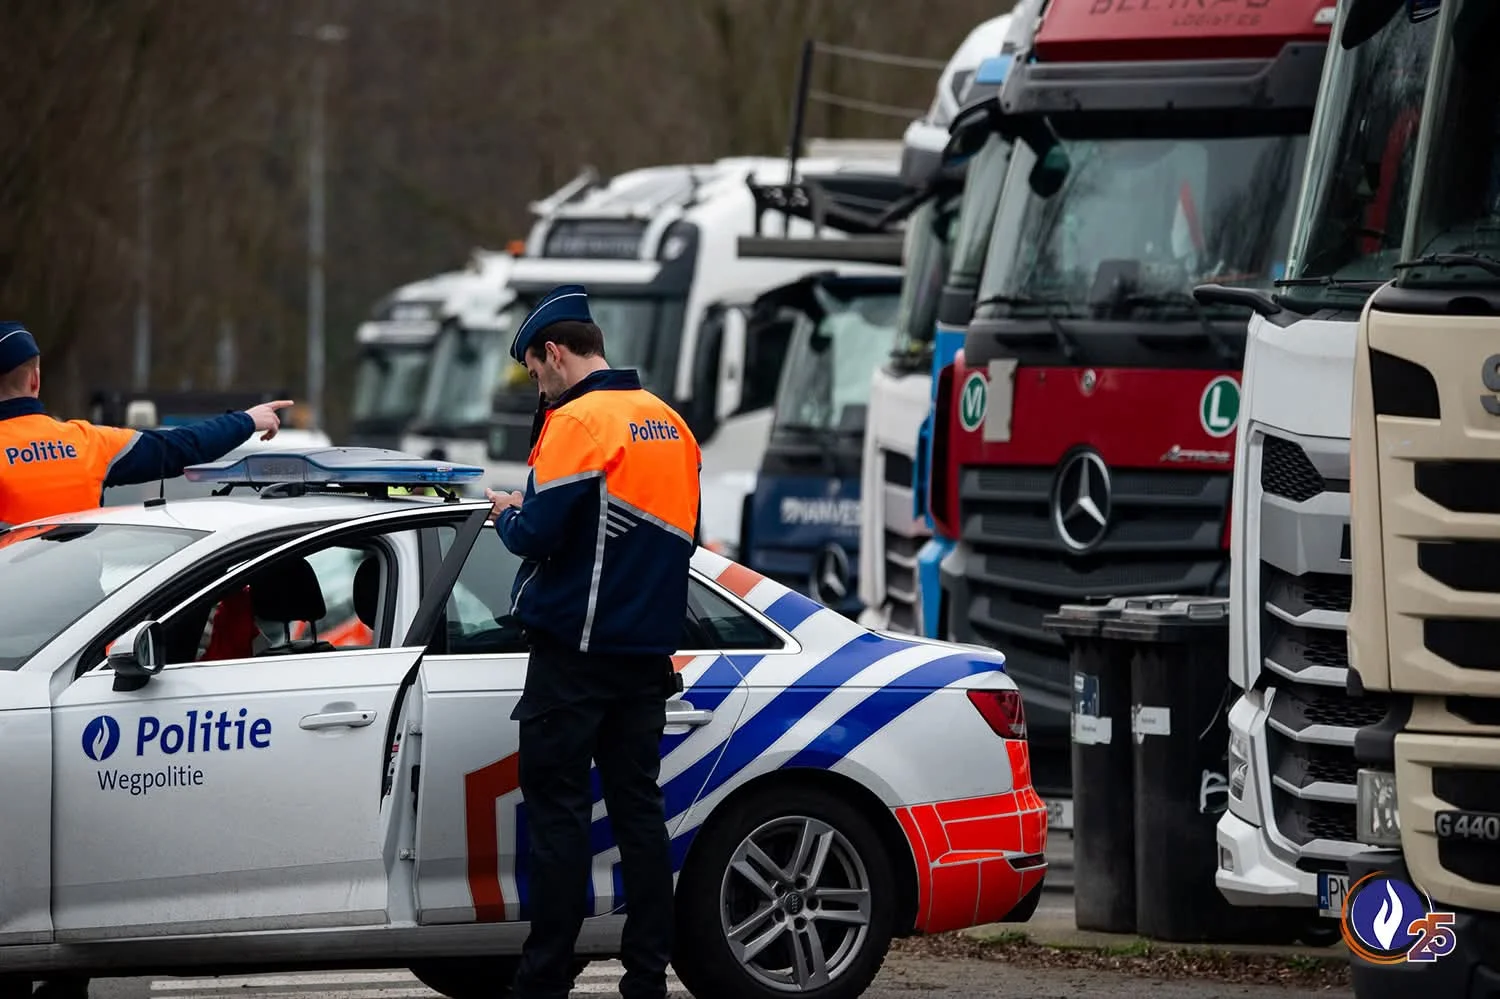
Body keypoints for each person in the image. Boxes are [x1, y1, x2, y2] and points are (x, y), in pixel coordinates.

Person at [485, 285, 700, 999]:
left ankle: (544, 979)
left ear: (554, 352)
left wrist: (508, 513)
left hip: (574, 658)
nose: (537, 388)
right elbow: (674, 540)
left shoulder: (577, 421)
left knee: (559, 821)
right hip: (646, 658)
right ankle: (647, 977)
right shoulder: (671, 423)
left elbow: (537, 533)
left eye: (534, 373)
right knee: (640, 816)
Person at [0, 321, 293, 525]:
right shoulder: (87, 443)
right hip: (85, 597)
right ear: (35, 380)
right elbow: (181, 447)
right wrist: (246, 420)